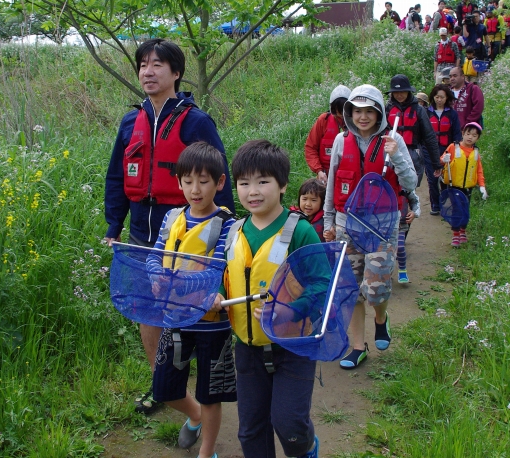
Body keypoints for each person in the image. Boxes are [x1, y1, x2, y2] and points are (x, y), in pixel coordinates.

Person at [104, 38, 235, 415]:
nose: (148, 71)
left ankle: (201, 388)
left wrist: (224, 230)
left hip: (188, 230)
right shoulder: (132, 120)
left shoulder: (196, 120)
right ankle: (160, 383)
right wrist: (114, 222)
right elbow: (117, 175)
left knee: (190, 308)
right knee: (149, 309)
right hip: (143, 231)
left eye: (157, 64)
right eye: (143, 64)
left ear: (175, 72)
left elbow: (217, 174)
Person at [222, 139, 325, 458]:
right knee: (250, 429)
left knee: (289, 424)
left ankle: (307, 446)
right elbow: (224, 277)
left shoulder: (301, 232)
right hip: (248, 348)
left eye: (263, 181)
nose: (252, 191)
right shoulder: (234, 231)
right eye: (244, 183)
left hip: (293, 347)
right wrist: (214, 296)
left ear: (282, 186)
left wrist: (289, 311)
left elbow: (322, 284)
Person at [149, 142, 237, 458]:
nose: (195, 189)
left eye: (203, 181)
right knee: (163, 387)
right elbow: (155, 255)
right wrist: (155, 275)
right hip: (174, 318)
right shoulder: (172, 217)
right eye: (188, 181)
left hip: (212, 324)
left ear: (220, 183)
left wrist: (174, 282)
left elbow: (217, 269)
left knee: (211, 394)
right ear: (179, 182)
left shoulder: (228, 224)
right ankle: (195, 414)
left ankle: (207, 451)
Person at [323, 85, 417, 368]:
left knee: (376, 289)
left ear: (379, 113)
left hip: (382, 225)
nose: (363, 117)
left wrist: (397, 154)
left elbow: (411, 183)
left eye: (369, 111)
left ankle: (381, 318)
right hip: (346, 224)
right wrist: (328, 221)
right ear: (349, 113)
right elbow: (331, 183)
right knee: (351, 289)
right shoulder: (342, 140)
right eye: (357, 111)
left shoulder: (394, 138)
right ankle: (357, 346)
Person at [386, 75, 440, 283]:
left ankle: (402, 233)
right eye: (396, 92)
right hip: (389, 154)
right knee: (390, 192)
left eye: (403, 91)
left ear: (409, 92)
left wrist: (435, 163)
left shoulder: (418, 111)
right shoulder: (385, 109)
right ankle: (394, 236)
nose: (399, 95)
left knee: (406, 194)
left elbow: (429, 137)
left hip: (412, 156)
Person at [440, 122, 488, 246]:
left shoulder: (476, 152)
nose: (470, 137)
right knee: (457, 209)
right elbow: (442, 158)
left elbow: (479, 170)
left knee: (465, 210)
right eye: (468, 134)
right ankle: (455, 234)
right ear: (463, 133)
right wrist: (444, 160)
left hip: (468, 187)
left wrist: (482, 186)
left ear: (477, 138)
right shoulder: (453, 147)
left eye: (474, 135)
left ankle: (463, 230)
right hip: (454, 185)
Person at [424, 85, 461, 215]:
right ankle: (435, 205)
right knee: (432, 178)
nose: (439, 99)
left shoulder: (452, 114)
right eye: (437, 97)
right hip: (429, 150)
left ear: (447, 98)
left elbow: (457, 133)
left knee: (446, 177)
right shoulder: (426, 113)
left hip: (447, 150)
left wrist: (456, 149)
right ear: (433, 97)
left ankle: (445, 202)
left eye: (442, 97)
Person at [304, 85, 351, 183]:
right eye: (337, 110)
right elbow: (310, 148)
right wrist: (319, 170)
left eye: (343, 110)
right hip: (325, 176)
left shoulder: (357, 122)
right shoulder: (323, 120)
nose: (341, 115)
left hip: (348, 176)